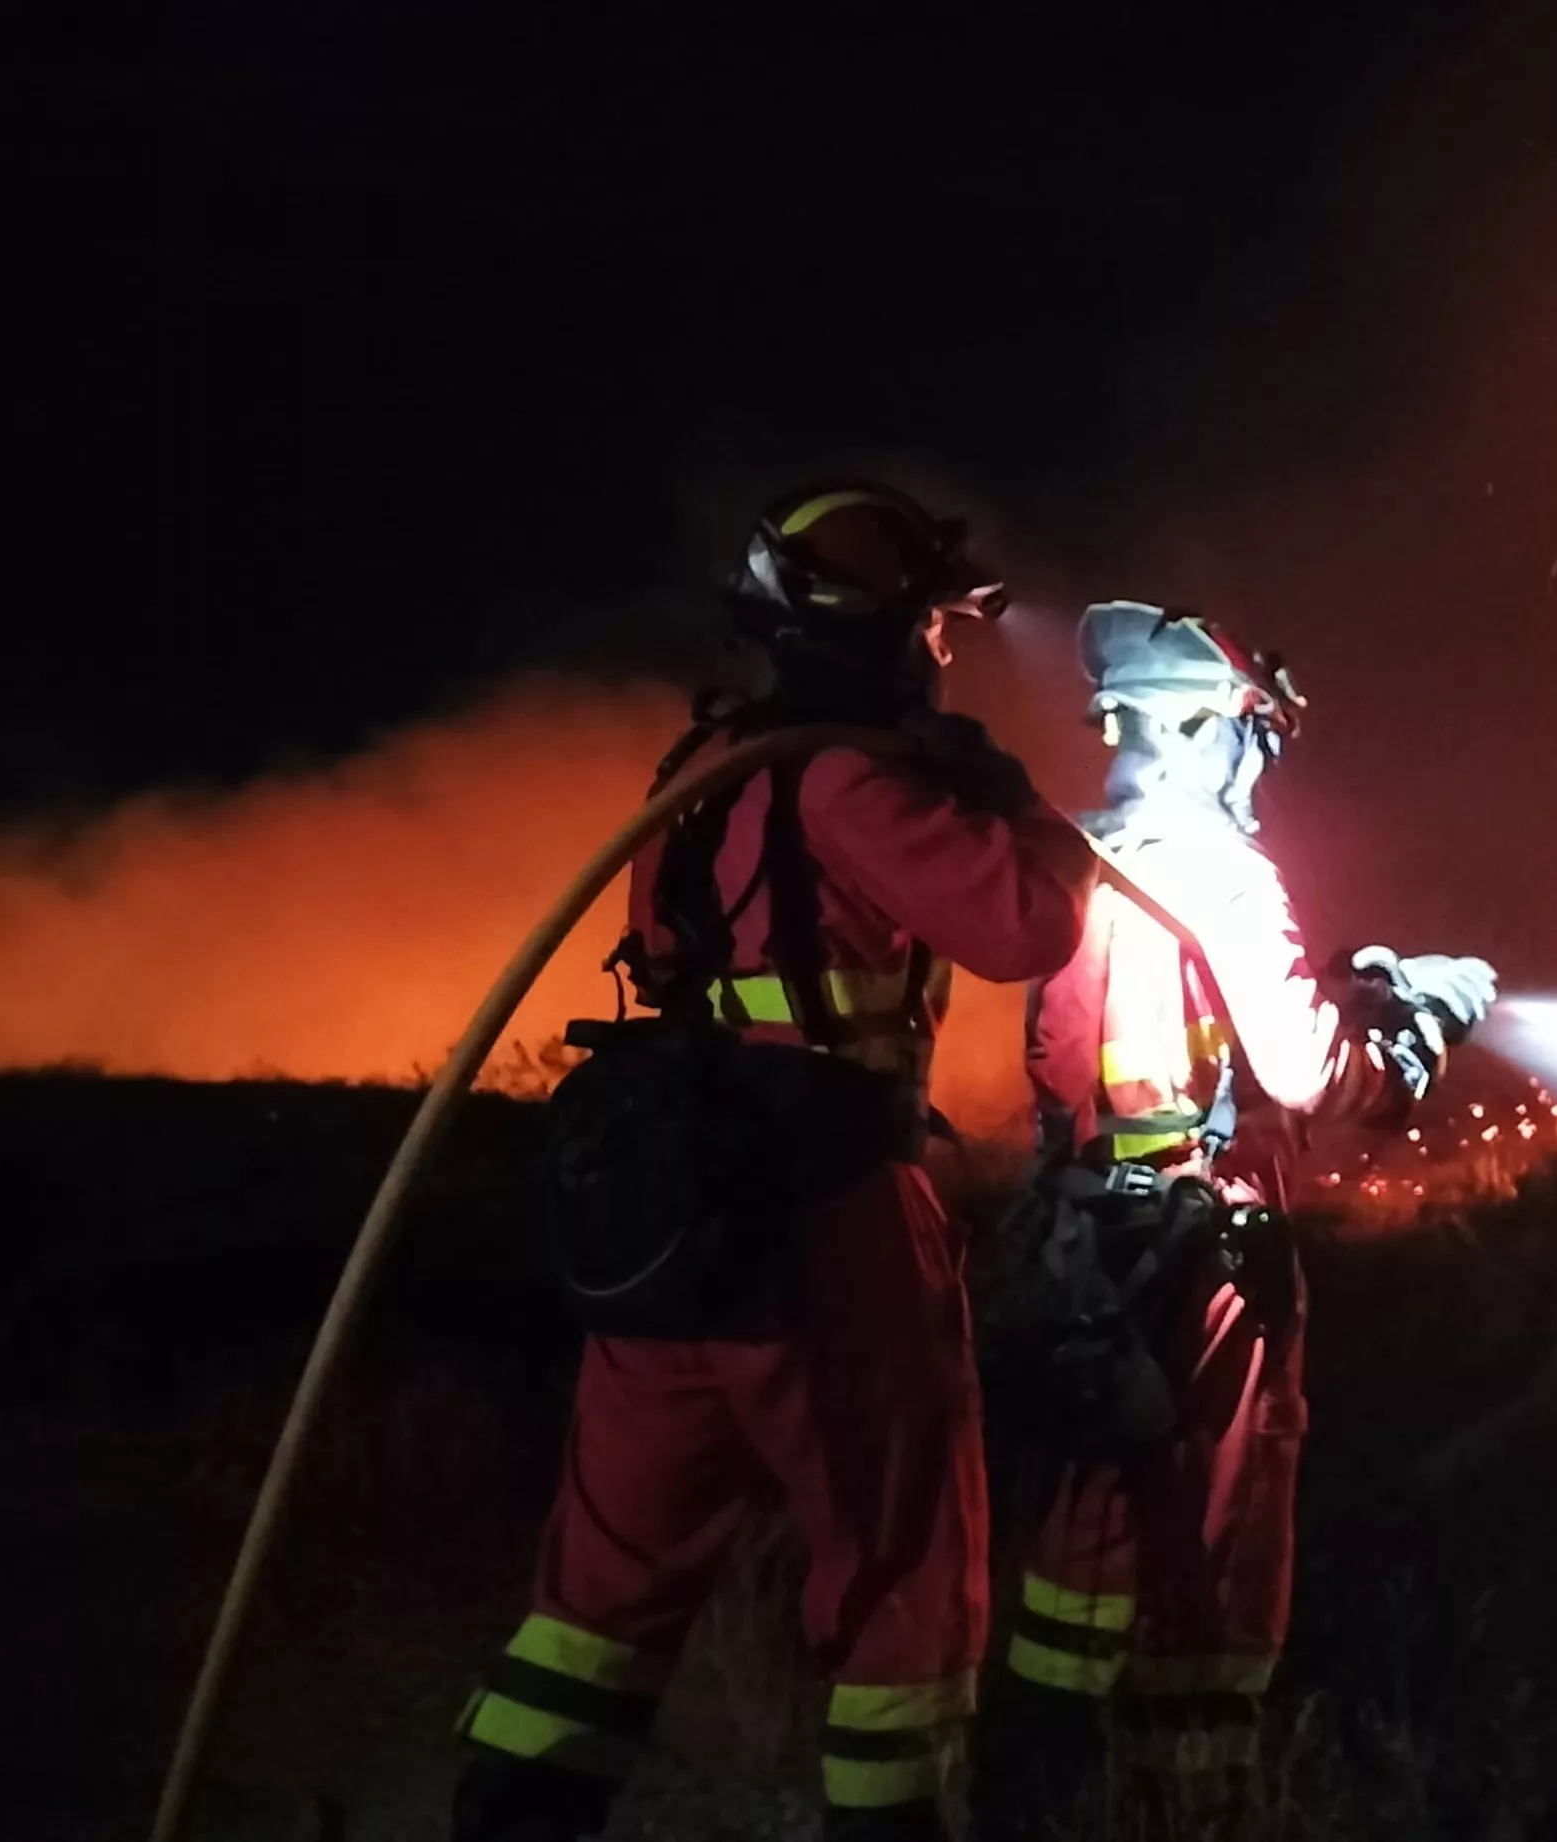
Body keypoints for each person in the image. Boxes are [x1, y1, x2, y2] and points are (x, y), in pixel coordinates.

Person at [450, 483, 1096, 1842]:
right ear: (875, 627)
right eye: (932, 628)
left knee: (598, 1594)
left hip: (672, 1224)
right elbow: (1027, 925)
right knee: (908, 1580)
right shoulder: (846, 780)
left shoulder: (703, 769)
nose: (943, 655)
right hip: (829, 1219)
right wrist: (1023, 805)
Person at [978, 601, 1494, 1837]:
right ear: (1208, 731)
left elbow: (1159, 1026)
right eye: (1255, 737)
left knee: (1091, 1513)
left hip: (1081, 1229)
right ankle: (1191, 1801)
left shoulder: (1075, 850)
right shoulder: (1226, 868)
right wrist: (1416, 1032)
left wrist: (1346, 989)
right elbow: (1313, 1076)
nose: (1263, 766)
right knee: (1219, 1519)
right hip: (1203, 1247)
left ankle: (1036, 1792)